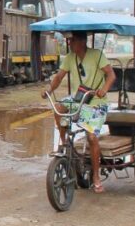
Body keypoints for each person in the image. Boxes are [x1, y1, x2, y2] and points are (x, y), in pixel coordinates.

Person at [43, 31, 116, 193]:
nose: (70, 44)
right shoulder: (70, 57)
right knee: (59, 107)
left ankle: (96, 176)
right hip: (78, 100)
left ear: (82, 41)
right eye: (69, 41)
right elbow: (59, 77)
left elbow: (111, 75)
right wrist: (49, 89)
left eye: (73, 40)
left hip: (96, 103)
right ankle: (64, 143)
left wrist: (104, 90)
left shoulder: (97, 55)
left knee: (91, 137)